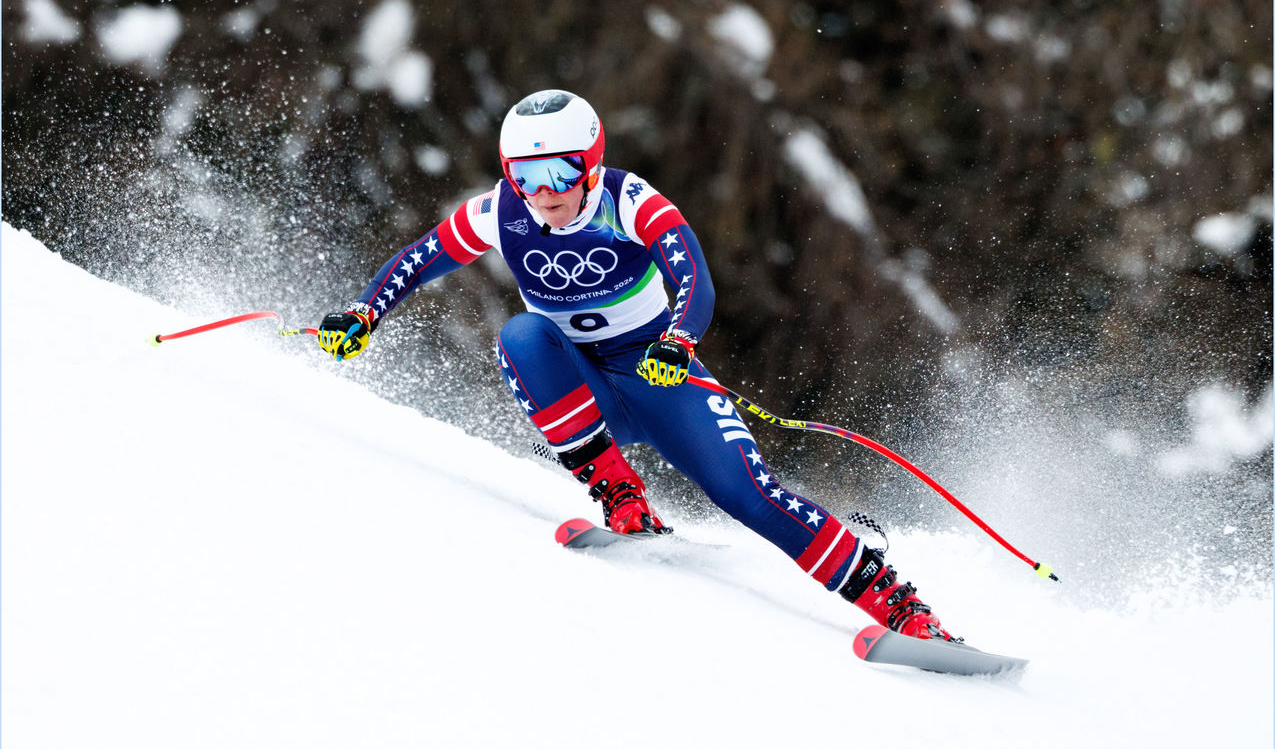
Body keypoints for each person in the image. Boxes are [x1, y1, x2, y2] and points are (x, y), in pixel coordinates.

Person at [318, 89, 958, 641]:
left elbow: (694, 278)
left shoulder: (628, 202)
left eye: (561, 172)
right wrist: (364, 312)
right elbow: (422, 258)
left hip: (658, 378)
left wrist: (678, 341)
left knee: (749, 496)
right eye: (526, 176)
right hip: (586, 394)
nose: (545, 193)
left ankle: (901, 608)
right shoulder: (501, 211)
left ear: (591, 164)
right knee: (522, 336)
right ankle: (621, 495)